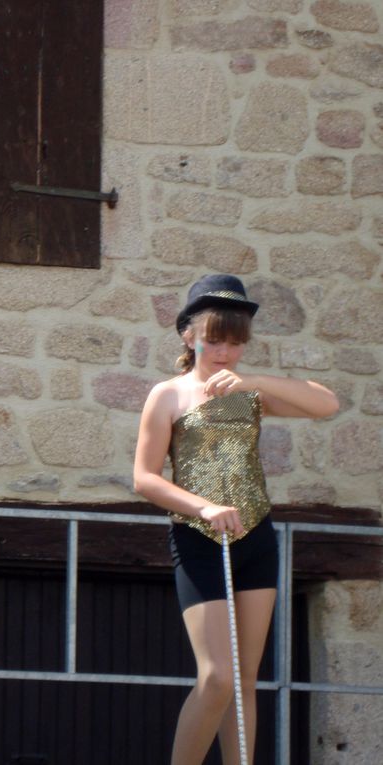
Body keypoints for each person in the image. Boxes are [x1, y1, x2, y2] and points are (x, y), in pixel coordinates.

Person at [133, 274, 338, 765]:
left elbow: (327, 404)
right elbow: (144, 478)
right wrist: (203, 506)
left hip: (256, 540)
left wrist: (255, 382)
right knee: (218, 677)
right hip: (200, 540)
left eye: (235, 342)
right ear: (189, 335)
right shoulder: (168, 395)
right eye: (214, 339)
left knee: (245, 680)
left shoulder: (248, 392)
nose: (224, 352)